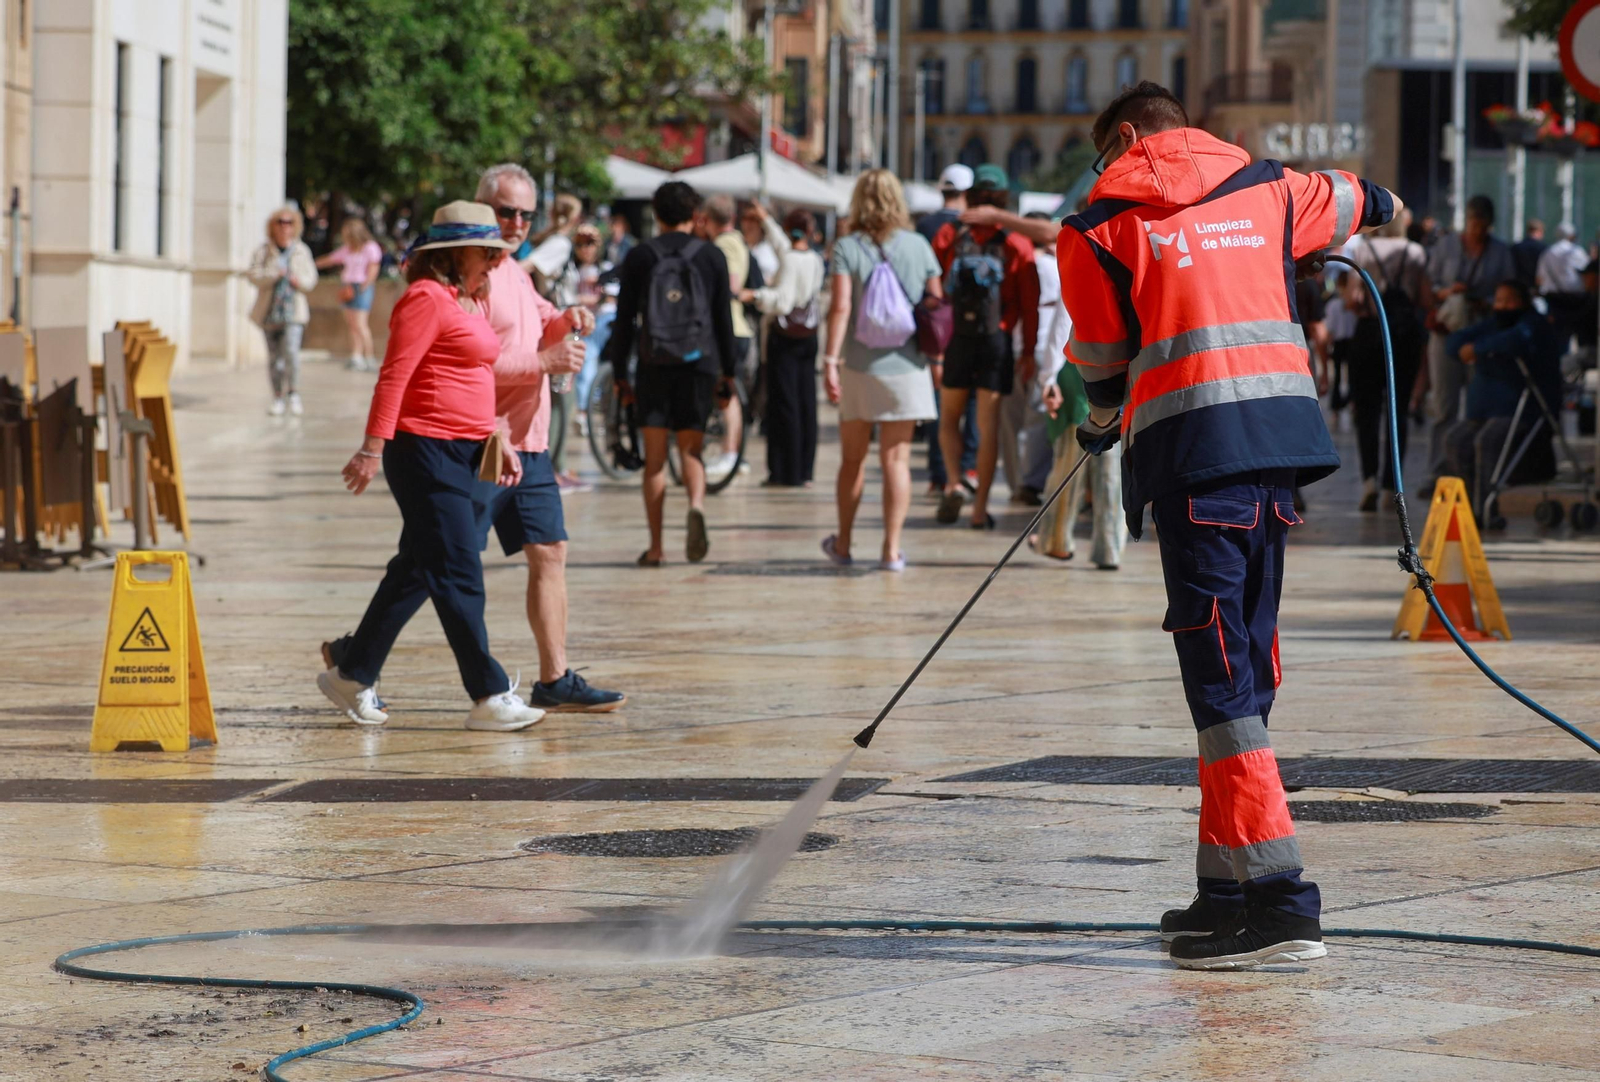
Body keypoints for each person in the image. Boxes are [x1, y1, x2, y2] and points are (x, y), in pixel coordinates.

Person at [1060, 81, 1401, 968]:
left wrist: (1101, 425)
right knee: (1241, 668)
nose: (1108, 169)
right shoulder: (1272, 187)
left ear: (1129, 135)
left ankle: (1283, 906)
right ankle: (1223, 893)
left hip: (1192, 459)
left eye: (1109, 153)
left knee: (1219, 685)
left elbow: (1100, 363)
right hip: (1279, 453)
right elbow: (1373, 199)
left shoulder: (1098, 225)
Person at [317, 201, 545, 732]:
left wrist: (495, 432)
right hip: (424, 450)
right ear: (453, 253)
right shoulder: (423, 298)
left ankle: (351, 672)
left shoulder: (464, 299)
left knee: (417, 569)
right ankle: (488, 694)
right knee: (460, 570)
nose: (494, 261)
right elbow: (394, 376)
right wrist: (372, 449)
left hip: (465, 450)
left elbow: (475, 375)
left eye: (497, 253)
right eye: (486, 252)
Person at [474, 164, 625, 712]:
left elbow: (545, 323)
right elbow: (469, 365)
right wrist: (544, 357)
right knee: (434, 566)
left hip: (529, 443)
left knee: (550, 550)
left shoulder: (514, 270)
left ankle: (554, 678)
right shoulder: (472, 275)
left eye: (524, 214)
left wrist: (568, 319)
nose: (516, 222)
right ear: (483, 208)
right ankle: (358, 659)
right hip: (482, 442)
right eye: (505, 211)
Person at [605, 181, 738, 566]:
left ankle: (657, 546)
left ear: (657, 214)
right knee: (691, 449)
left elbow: (626, 319)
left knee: (656, 460)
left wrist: (619, 372)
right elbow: (722, 320)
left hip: (654, 362)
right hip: (700, 363)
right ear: (695, 214)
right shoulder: (711, 256)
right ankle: (696, 504)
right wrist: (728, 373)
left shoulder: (641, 256)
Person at [820, 168, 943, 571]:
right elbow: (935, 304)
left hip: (859, 366)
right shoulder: (918, 245)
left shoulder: (846, 247)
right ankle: (891, 550)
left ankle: (843, 543)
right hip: (907, 366)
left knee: (852, 460)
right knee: (896, 461)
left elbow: (839, 308)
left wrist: (830, 361)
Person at [930, 164, 1041, 530]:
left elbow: (937, 288)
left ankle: (952, 480)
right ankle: (979, 510)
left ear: (973, 195)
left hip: (960, 337)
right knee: (988, 426)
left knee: (948, 419)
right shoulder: (1015, 242)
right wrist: (1028, 353)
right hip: (998, 338)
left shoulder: (951, 234)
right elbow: (1030, 303)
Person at [1420, 195, 1516, 494]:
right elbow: (1429, 285)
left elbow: (1510, 291)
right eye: (1474, 223)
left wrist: (1486, 301)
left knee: (1479, 405)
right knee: (1444, 406)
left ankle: (1475, 473)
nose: (1477, 230)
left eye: (1483, 225)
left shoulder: (1499, 252)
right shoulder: (1446, 246)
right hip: (1447, 332)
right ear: (1467, 221)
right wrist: (1448, 292)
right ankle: (1437, 473)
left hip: (1480, 334)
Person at [1443, 278, 1564, 504]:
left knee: (1487, 441)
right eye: (1499, 300)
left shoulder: (1532, 324)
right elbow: (1456, 341)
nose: (1503, 306)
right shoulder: (1493, 324)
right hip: (1483, 411)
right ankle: (1467, 507)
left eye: (1510, 301)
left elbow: (1515, 339)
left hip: (1523, 411)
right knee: (1455, 439)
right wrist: (1464, 348)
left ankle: (1487, 507)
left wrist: (1478, 349)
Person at [1344, 210, 1431, 509]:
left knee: (1366, 412)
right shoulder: (1416, 251)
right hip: (1404, 336)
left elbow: (1352, 300)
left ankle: (1368, 478)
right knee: (1399, 410)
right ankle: (1390, 486)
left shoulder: (1362, 249)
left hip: (1369, 332)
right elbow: (1424, 299)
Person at [741, 203, 826, 488]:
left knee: (784, 404)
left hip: (785, 338)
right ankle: (804, 469)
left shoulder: (790, 259)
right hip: (809, 337)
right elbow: (783, 247)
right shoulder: (813, 259)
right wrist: (767, 220)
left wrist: (754, 295)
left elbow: (783, 300)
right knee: (806, 402)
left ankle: (785, 472)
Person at [919, 163, 979, 496]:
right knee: (971, 400)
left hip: (934, 326)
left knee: (937, 401)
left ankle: (939, 474)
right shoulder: (971, 225)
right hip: (970, 323)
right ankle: (968, 467)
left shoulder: (924, 226)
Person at [700, 194, 755, 480]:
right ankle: (733, 453)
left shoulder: (725, 244)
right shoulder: (736, 241)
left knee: (727, 395)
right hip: (736, 327)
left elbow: (731, 284)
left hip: (729, 328)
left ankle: (730, 453)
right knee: (728, 393)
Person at [248, 205, 318, 417]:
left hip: (293, 313)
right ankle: (277, 397)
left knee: (291, 353)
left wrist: (299, 281)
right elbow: (253, 276)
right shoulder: (263, 251)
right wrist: (273, 274)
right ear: (273, 226)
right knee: (274, 358)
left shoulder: (301, 250)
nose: (284, 227)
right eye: (280, 222)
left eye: (289, 222)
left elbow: (311, 280)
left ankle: (294, 393)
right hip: (269, 312)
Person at [316, 218, 385, 371]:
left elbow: (373, 270)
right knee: (352, 324)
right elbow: (330, 259)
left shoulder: (370, 247)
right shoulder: (347, 248)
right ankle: (356, 356)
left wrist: (363, 287)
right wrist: (310, 264)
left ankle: (369, 357)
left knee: (361, 324)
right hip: (347, 287)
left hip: (361, 287)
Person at [1536, 223, 1590, 297]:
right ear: (1572, 235)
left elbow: (1540, 277)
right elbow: (1587, 271)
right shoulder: (1576, 251)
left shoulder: (1547, 252)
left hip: (1552, 294)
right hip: (1575, 293)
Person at [1512, 218, 1547, 291]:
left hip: (1519, 286)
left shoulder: (1516, 247)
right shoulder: (1544, 249)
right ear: (1540, 231)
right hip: (1537, 286)